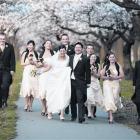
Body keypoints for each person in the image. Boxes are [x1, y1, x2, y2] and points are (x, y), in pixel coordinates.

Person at [44, 45, 71, 121]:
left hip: (63, 80)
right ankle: (49, 112)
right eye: (61, 51)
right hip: (54, 79)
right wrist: (42, 71)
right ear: (59, 51)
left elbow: (69, 67)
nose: (62, 52)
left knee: (62, 95)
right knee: (52, 95)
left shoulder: (68, 58)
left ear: (65, 51)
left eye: (63, 50)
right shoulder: (54, 58)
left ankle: (62, 115)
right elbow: (49, 67)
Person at [69, 42, 91, 123]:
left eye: (79, 47)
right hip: (71, 81)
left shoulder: (85, 58)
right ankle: (73, 116)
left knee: (80, 99)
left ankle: (81, 117)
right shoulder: (70, 57)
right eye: (76, 47)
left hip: (80, 82)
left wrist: (88, 82)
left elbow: (88, 72)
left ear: (82, 49)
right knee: (72, 100)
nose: (77, 49)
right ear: (74, 49)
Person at [100, 52, 124, 124]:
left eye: (113, 57)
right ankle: (111, 117)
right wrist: (108, 77)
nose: (112, 58)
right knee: (109, 98)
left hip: (116, 83)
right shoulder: (106, 66)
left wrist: (115, 77)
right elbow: (101, 76)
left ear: (115, 58)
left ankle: (111, 111)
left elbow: (122, 75)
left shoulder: (118, 65)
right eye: (110, 57)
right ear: (108, 58)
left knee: (115, 98)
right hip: (107, 84)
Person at [56, 33, 75, 114]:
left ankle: (66, 106)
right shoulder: (57, 49)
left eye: (66, 39)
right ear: (61, 40)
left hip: (69, 73)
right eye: (63, 39)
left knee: (68, 90)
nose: (64, 40)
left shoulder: (72, 48)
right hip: (60, 73)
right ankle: (61, 107)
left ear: (68, 40)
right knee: (60, 90)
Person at [20, 40, 38, 112]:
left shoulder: (36, 53)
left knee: (32, 89)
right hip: (27, 72)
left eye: (31, 45)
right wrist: (28, 62)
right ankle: (26, 104)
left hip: (34, 71)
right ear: (27, 46)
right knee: (27, 88)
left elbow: (38, 63)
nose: (30, 46)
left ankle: (30, 105)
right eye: (29, 45)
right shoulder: (25, 53)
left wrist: (33, 62)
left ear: (33, 46)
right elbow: (22, 63)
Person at [38, 40, 55, 116]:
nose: (48, 44)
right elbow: (37, 65)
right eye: (47, 43)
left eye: (50, 43)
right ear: (44, 45)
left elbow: (56, 64)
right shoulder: (41, 54)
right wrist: (42, 65)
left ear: (51, 45)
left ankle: (49, 108)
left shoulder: (54, 53)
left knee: (50, 93)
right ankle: (44, 107)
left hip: (51, 75)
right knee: (42, 93)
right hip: (43, 75)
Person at [0, 32, 16, 108]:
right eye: (1, 39)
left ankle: (4, 100)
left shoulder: (10, 47)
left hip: (7, 70)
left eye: (3, 39)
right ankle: (1, 103)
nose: (2, 40)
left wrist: (12, 69)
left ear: (5, 39)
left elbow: (12, 59)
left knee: (5, 85)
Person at [86, 54, 103, 119]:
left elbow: (99, 76)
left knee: (94, 98)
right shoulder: (86, 64)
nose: (93, 58)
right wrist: (90, 72)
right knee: (89, 97)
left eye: (94, 57)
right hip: (89, 82)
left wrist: (94, 73)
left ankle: (92, 113)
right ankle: (89, 112)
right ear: (89, 58)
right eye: (92, 57)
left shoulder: (98, 65)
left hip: (95, 82)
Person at [132, 60, 140, 124]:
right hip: (138, 86)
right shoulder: (137, 63)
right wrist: (134, 85)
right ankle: (139, 115)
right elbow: (135, 75)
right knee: (138, 101)